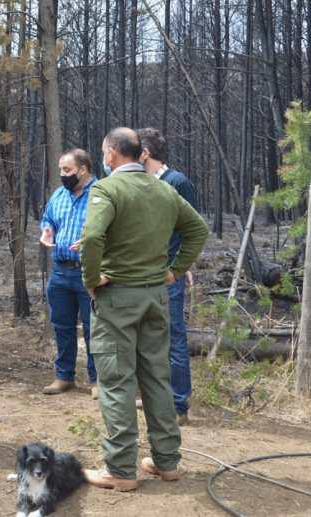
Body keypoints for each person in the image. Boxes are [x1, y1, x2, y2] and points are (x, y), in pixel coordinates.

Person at [80, 128, 208, 490]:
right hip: (155, 296)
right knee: (156, 377)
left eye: (104, 152)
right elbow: (198, 230)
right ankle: (167, 463)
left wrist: (91, 278)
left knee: (116, 381)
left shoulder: (107, 189)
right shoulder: (164, 189)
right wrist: (173, 270)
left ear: (111, 155)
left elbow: (91, 238)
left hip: (117, 297)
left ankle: (120, 470)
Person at [137, 127, 199, 426]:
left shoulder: (177, 182)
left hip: (167, 278)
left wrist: (180, 268)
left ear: (145, 153)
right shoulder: (137, 183)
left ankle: (178, 405)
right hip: (140, 275)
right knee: (147, 339)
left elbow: (193, 230)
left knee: (173, 338)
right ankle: (153, 395)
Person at [39, 149, 98, 397]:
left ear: (83, 169)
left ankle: (98, 381)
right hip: (60, 271)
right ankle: (64, 376)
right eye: (61, 170)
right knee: (61, 326)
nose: (63, 175)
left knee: (93, 328)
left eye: (67, 170)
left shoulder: (101, 194)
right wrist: (46, 230)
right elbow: (47, 219)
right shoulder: (59, 195)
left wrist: (90, 241)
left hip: (89, 273)